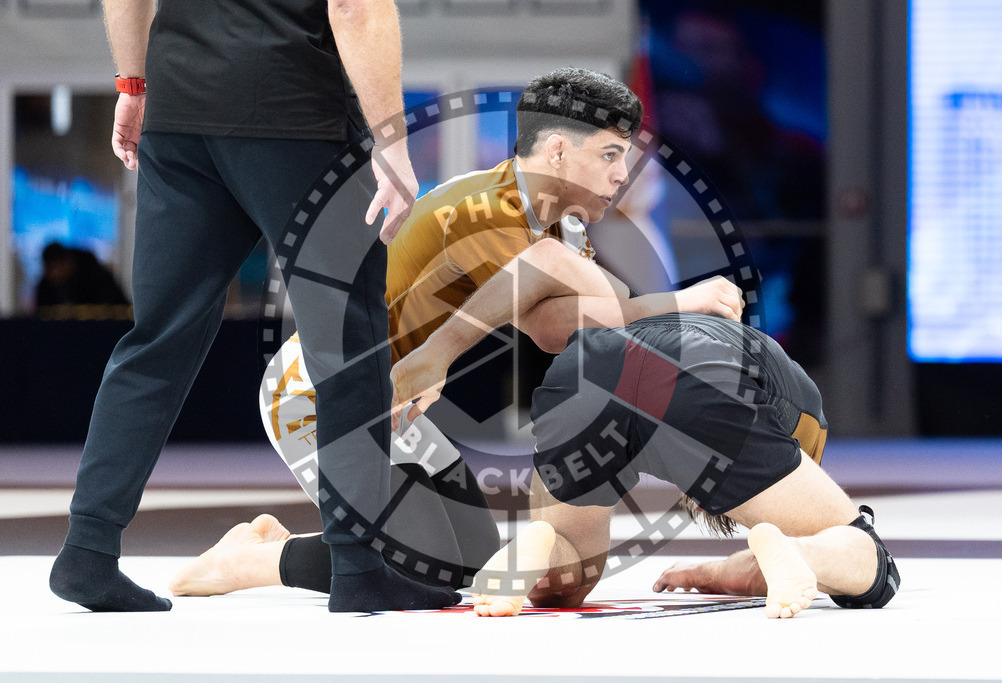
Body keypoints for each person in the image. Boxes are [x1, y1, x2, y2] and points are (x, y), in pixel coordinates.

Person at [169, 67, 747, 600]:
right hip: (319, 392)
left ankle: (272, 545)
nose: (624, 174)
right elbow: (586, 303)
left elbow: (549, 329)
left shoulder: (551, 224)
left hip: (390, 399)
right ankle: (248, 563)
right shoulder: (487, 213)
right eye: (613, 155)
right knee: (421, 565)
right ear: (560, 151)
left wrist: (631, 302)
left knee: (473, 561)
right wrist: (679, 301)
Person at [48, 0, 459, 614]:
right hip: (294, 111)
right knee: (346, 340)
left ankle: (87, 549)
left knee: (156, 339)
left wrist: (133, 85)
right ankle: (357, 565)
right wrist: (392, 143)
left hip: (179, 109)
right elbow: (355, 7)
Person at [465, 312, 900, 619]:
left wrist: (711, 574)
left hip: (584, 368)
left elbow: (759, 555)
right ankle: (805, 552)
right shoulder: (807, 416)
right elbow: (789, 541)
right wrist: (800, 547)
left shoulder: (735, 351)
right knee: (864, 554)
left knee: (568, 578)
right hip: (696, 371)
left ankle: (542, 541)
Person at [35, 242, 130, 314]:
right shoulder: (46, 285)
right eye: (48, 269)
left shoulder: (96, 279)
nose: (52, 274)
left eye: (54, 268)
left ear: (67, 262)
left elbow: (117, 309)